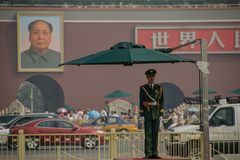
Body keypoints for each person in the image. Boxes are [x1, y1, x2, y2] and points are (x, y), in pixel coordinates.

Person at [139, 68, 164, 159]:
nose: (152, 78)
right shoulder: (143, 88)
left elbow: (161, 102)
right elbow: (141, 101)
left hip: (156, 114)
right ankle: (148, 153)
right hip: (147, 113)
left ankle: (155, 153)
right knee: (148, 134)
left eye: (153, 76)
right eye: (150, 76)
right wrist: (141, 115)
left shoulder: (159, 88)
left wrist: (161, 115)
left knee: (155, 134)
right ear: (147, 77)